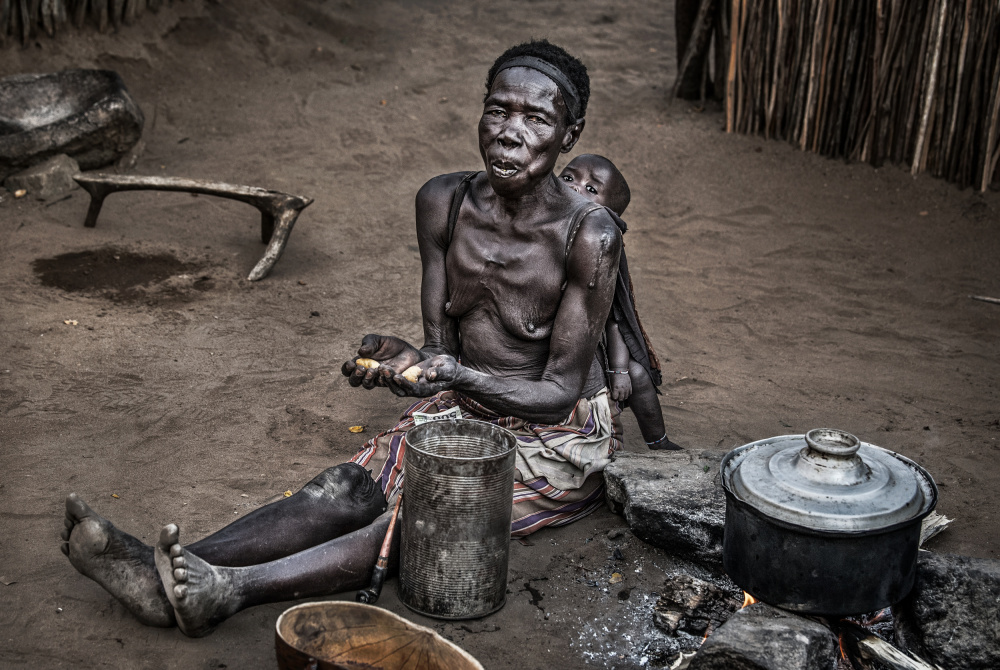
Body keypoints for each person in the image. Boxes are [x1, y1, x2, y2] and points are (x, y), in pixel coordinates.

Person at [60, 39, 626, 638]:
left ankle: (233, 592)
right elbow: (443, 353)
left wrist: (456, 377)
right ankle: (169, 569)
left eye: (536, 118)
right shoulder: (444, 202)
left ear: (569, 134)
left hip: (554, 437)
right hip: (465, 406)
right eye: (497, 111)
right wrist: (411, 362)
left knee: (428, 516)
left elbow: (559, 393)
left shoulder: (588, 236)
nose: (509, 133)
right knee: (344, 487)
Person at [558, 154, 681, 450]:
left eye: (591, 189)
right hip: (537, 346)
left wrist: (620, 370)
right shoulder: (536, 222)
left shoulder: (601, 245)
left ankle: (659, 441)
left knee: (637, 375)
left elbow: (614, 318)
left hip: (585, 343)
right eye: (568, 178)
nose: (576, 188)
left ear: (609, 215)